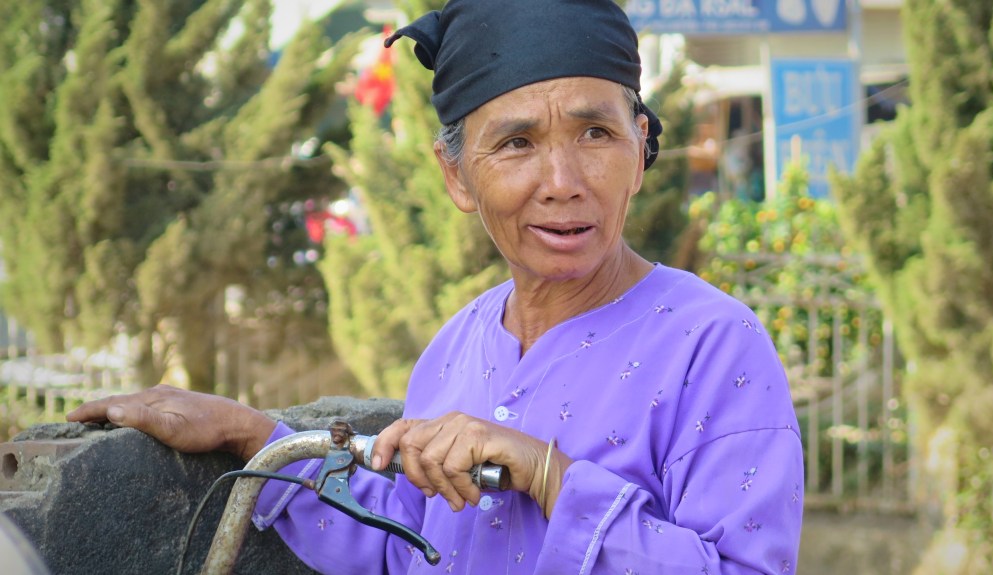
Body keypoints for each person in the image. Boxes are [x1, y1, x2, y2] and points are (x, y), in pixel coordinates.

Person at [68, 1, 804, 573]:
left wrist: (546, 472)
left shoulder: (713, 346)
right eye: (517, 143)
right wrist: (251, 433)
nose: (563, 181)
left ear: (640, 148)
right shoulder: (459, 345)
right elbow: (404, 546)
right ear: (456, 175)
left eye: (595, 134)